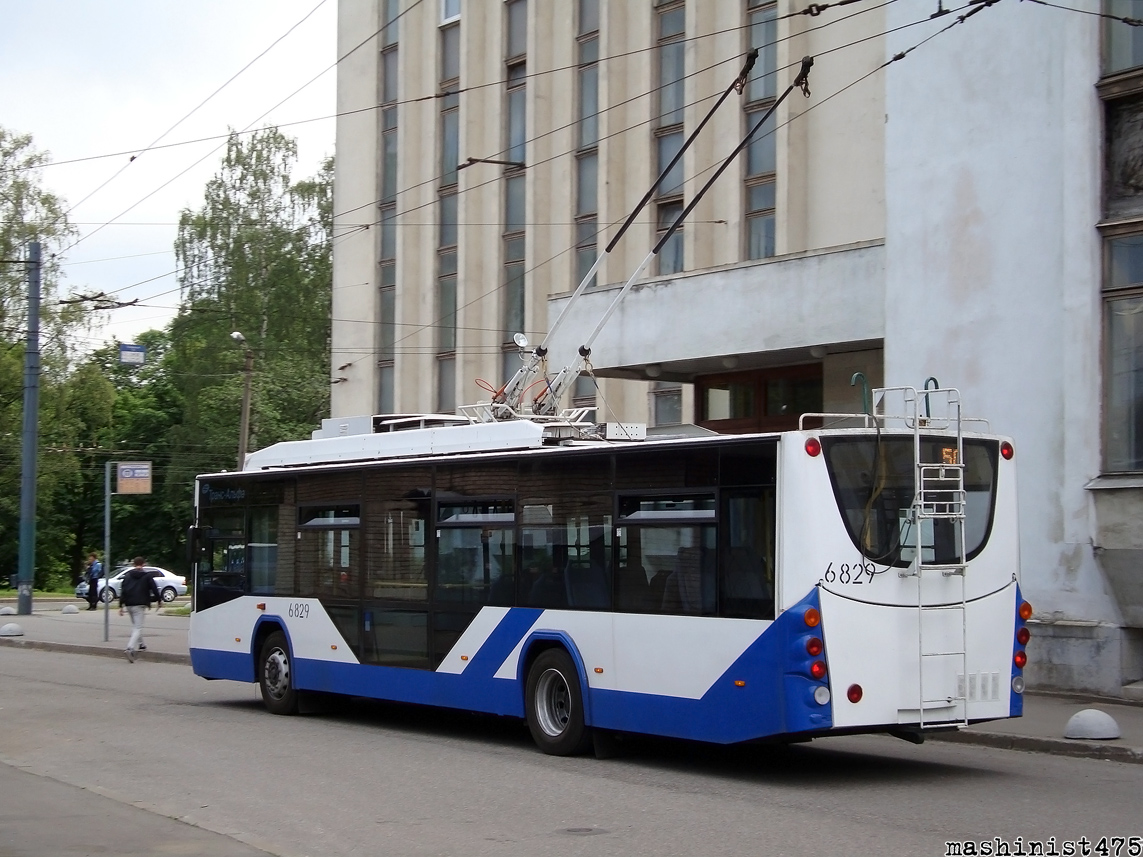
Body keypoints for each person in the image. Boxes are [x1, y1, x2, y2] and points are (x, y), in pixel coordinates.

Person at [118, 556, 159, 663]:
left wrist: (121, 605)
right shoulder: (147, 576)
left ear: (133, 564)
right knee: (138, 627)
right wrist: (159, 600)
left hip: (129, 604)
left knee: (136, 626)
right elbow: (154, 588)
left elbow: (123, 591)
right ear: (144, 564)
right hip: (140, 604)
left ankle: (141, 644)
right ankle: (130, 648)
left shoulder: (127, 576)